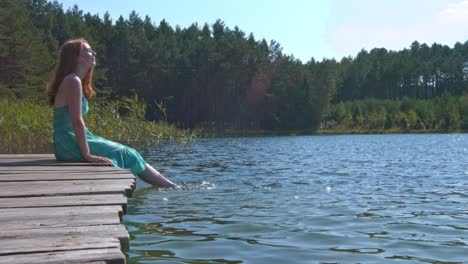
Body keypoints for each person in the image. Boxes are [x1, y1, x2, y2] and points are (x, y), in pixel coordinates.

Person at [48, 38, 177, 188]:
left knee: (128, 152)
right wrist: (87, 155)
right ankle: (171, 188)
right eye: (88, 51)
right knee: (127, 153)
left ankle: (170, 186)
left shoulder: (74, 81)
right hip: (69, 142)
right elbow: (76, 120)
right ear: (76, 57)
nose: (93, 53)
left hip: (68, 141)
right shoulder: (72, 81)